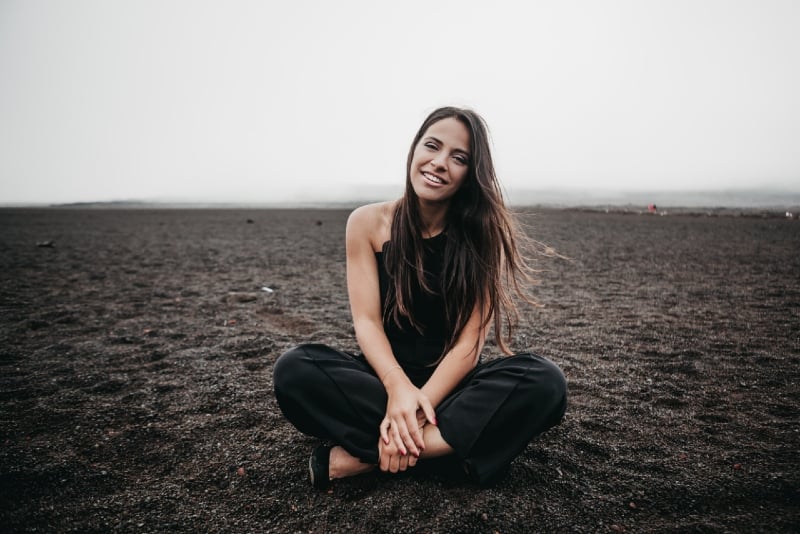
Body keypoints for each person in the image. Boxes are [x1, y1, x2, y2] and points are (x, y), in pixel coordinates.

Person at [273, 106, 567, 489]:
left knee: (545, 382)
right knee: (294, 370)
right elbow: (367, 322)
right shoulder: (365, 223)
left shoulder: (482, 234)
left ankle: (375, 458)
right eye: (433, 146)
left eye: (459, 158)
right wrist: (398, 389)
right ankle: (445, 454)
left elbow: (469, 343)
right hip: (381, 382)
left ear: (469, 175)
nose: (440, 162)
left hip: (451, 389)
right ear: (414, 150)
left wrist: (419, 407)